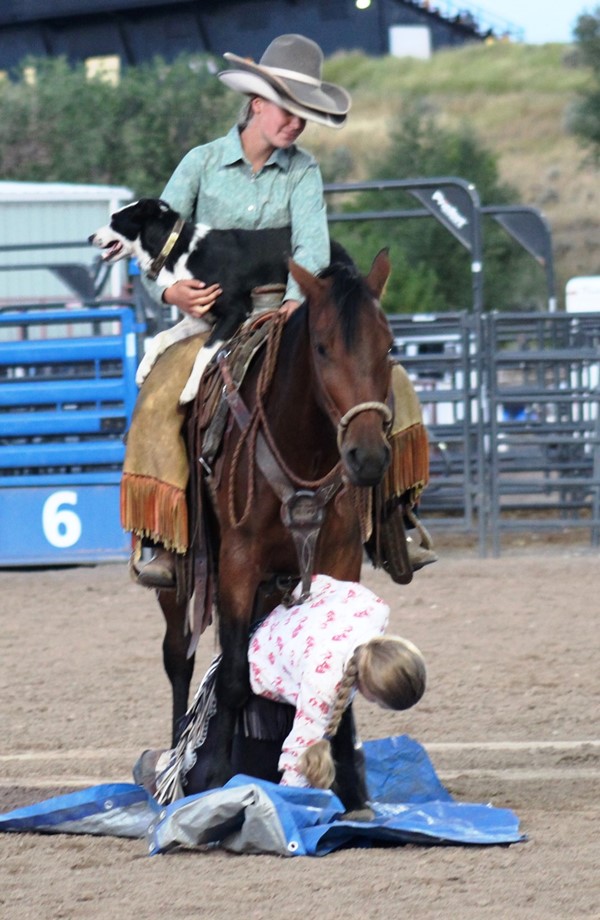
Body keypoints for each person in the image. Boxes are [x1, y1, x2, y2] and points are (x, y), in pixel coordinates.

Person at [122, 33, 352, 588]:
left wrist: (293, 311)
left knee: (375, 379)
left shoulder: (303, 171)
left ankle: (393, 518)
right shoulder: (200, 164)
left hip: (283, 316)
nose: (296, 125)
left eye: (304, 116)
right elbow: (156, 238)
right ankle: (164, 540)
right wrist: (170, 291)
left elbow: (313, 251)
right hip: (207, 318)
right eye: (288, 111)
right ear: (256, 103)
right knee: (158, 400)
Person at [133, 575, 427, 805]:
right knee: (221, 788)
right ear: (371, 692)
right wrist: (289, 805)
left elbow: (319, 584)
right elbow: (299, 756)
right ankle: (160, 766)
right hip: (250, 679)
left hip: (282, 673)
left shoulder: (374, 608)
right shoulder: (325, 683)